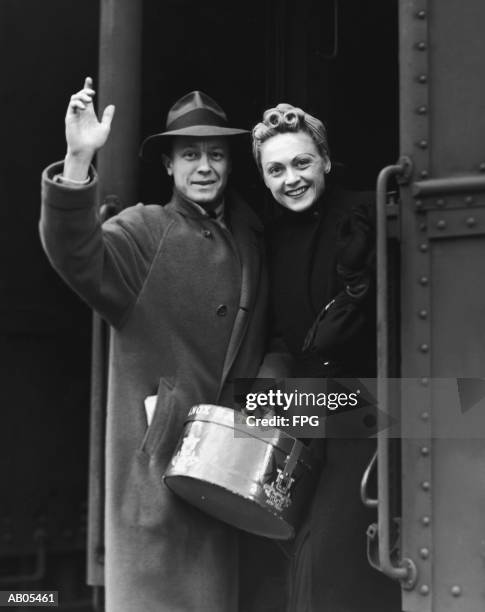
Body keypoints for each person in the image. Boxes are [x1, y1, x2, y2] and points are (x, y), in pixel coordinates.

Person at [40, 79, 282, 612]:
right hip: (159, 484)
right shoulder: (144, 232)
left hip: (237, 476)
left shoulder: (255, 237)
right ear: (169, 166)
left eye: (216, 154)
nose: (204, 167)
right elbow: (74, 252)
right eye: (190, 154)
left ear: (230, 164)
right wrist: (77, 160)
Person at [251, 104, 401, 611]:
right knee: (290, 559)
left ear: (327, 162)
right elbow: (273, 335)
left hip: (365, 416)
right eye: (276, 170)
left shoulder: (369, 212)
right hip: (300, 417)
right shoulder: (268, 239)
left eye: (302, 163)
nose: (291, 179)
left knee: (330, 563)